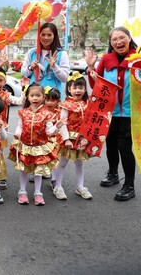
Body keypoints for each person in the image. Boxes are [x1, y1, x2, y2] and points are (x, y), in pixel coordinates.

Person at [86, 26, 141, 201]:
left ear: (129, 38)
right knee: (110, 145)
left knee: (124, 148)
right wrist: (91, 68)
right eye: (114, 39)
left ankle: (129, 186)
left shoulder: (139, 58)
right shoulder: (106, 60)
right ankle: (113, 174)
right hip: (108, 113)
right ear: (110, 43)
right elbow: (97, 87)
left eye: (122, 37)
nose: (118, 42)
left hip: (131, 113)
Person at [8, 82, 61, 206]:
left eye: (38, 95)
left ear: (43, 97)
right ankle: (22, 191)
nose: (35, 98)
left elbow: (49, 132)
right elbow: (20, 127)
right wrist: (17, 133)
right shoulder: (23, 113)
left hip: (39, 147)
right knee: (24, 169)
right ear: (28, 97)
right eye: (32, 95)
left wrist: (57, 127)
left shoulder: (47, 114)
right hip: (25, 146)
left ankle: (38, 192)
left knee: (38, 171)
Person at [52, 72, 92, 200]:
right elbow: (62, 124)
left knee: (79, 163)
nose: (78, 90)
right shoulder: (65, 105)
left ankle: (80, 187)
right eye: (75, 87)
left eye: (81, 87)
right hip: (68, 139)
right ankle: (57, 186)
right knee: (62, 163)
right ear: (69, 89)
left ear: (85, 89)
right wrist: (66, 139)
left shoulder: (88, 103)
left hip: (82, 139)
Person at [21, 23, 70, 98]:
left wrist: (54, 66)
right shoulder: (32, 52)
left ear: (55, 36)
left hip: (52, 98)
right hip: (34, 97)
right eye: (43, 34)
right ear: (39, 35)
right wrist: (31, 67)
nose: (46, 38)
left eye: (49, 35)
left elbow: (65, 78)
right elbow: (24, 73)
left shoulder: (61, 54)